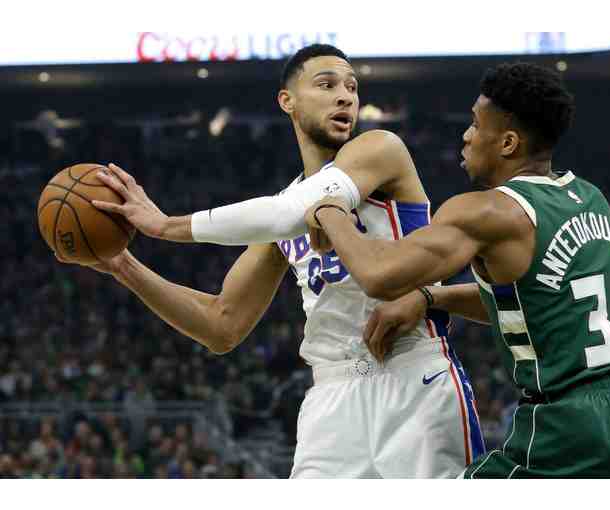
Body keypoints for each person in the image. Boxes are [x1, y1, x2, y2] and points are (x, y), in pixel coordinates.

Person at [57, 44, 484, 478]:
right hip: (332, 395)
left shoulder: (381, 148)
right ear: (287, 101)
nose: (345, 96)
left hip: (413, 377)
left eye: (352, 87)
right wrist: (124, 266)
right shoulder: (282, 209)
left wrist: (165, 225)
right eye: (327, 85)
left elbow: (288, 212)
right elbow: (221, 325)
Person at [303, 62, 610, 478]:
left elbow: (379, 275)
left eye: (476, 125)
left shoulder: (487, 211)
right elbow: (536, 303)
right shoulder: (590, 198)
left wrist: (329, 208)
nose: (466, 135)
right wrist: (432, 297)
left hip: (577, 430)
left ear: (508, 143)